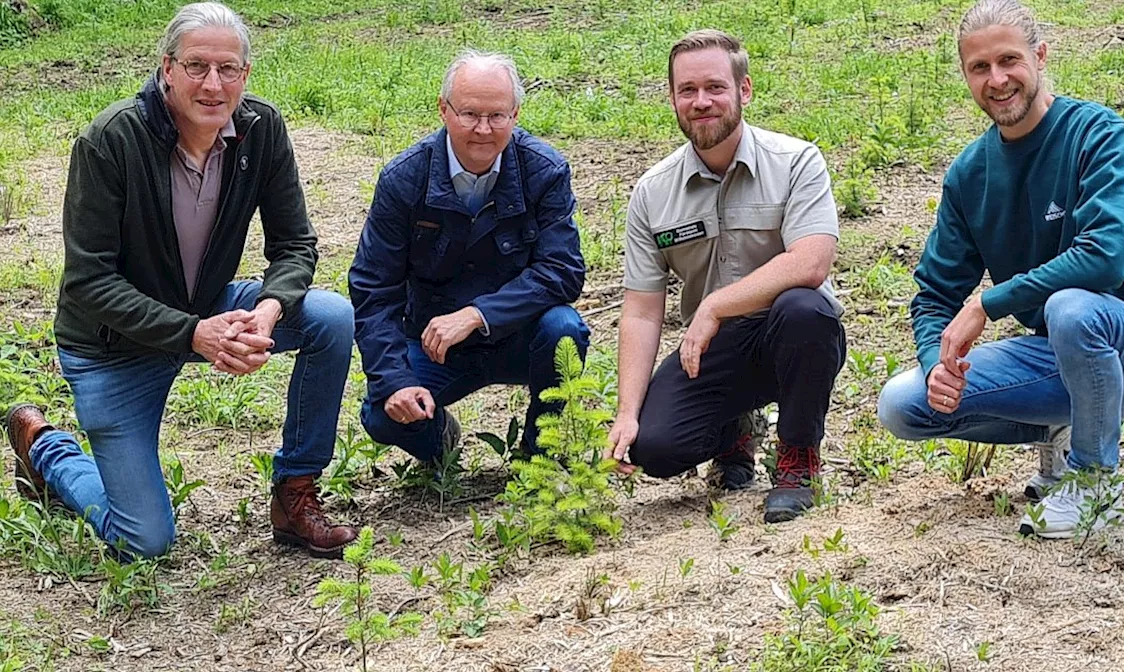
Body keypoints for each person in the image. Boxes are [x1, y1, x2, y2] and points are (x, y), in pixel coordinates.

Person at [1, 2, 357, 560]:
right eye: (196, 66)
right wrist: (196, 334)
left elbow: (294, 245)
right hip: (113, 345)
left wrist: (267, 311)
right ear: (166, 69)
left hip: (205, 305)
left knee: (330, 316)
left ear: (246, 75)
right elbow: (90, 281)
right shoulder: (110, 140)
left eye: (228, 69)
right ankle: (46, 450)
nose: (213, 84)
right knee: (145, 540)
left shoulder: (261, 130)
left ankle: (295, 493)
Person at [877, 0, 1124, 539]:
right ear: (965, 75)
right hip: (1059, 354)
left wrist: (986, 302)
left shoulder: (1096, 133)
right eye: (980, 68)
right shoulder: (969, 175)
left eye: (1009, 60)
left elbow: (1107, 257)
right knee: (903, 405)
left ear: (1040, 56)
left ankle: (1094, 481)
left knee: (1070, 308)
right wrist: (936, 365)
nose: (997, 80)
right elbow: (933, 293)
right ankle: (1059, 434)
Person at [607, 30, 846, 523]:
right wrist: (627, 412)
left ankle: (797, 462)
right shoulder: (652, 193)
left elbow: (811, 262)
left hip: (791, 334)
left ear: (745, 90)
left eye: (715, 87)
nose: (701, 102)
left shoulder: (797, 161)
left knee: (806, 309)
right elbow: (641, 310)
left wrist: (715, 305)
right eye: (687, 90)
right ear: (672, 98)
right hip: (712, 351)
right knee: (655, 447)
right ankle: (733, 432)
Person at [349, 51, 589, 468]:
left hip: (520, 335)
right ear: (443, 110)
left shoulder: (545, 171)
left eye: (497, 116)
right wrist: (396, 381)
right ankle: (438, 439)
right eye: (469, 114)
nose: (482, 129)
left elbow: (563, 270)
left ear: (515, 113)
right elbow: (374, 289)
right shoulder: (404, 179)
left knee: (564, 330)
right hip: (435, 346)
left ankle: (542, 460)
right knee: (382, 413)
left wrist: (477, 314)